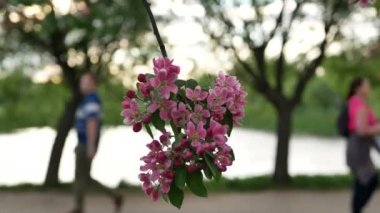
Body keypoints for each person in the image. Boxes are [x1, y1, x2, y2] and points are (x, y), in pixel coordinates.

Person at [69, 72, 123, 213]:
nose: (82, 85)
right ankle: (114, 196)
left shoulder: (92, 100)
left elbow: (92, 123)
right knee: (83, 177)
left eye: (84, 82)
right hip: (84, 143)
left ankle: (79, 208)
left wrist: (90, 146)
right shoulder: (88, 99)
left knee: (81, 177)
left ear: (93, 83)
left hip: (85, 143)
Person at [346, 77, 380, 213]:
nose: (369, 88)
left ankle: (356, 209)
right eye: (367, 85)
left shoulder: (354, 103)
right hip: (359, 148)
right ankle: (356, 210)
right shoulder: (359, 106)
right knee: (368, 179)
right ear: (358, 88)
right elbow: (362, 130)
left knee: (366, 179)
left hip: (359, 147)